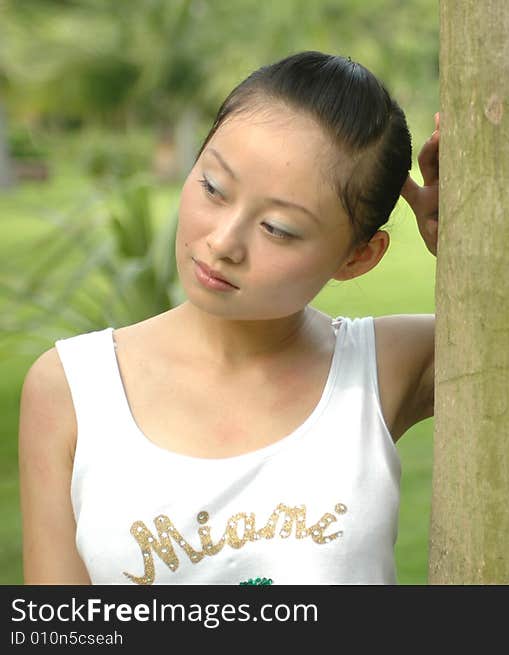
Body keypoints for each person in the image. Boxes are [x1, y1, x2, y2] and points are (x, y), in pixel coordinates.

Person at [17, 51, 440, 585]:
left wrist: (469, 240)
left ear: (358, 257)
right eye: (213, 188)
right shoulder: (73, 388)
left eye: (279, 229)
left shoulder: (382, 367)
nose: (222, 243)